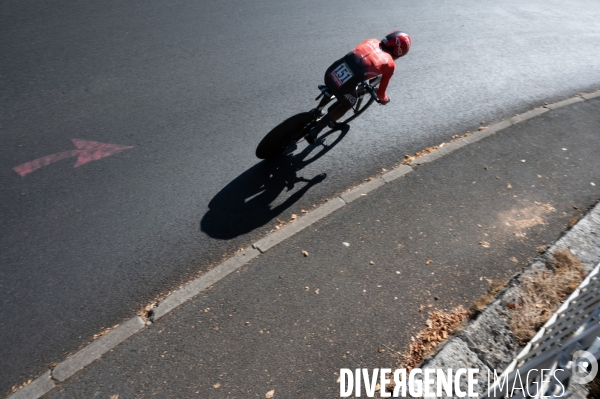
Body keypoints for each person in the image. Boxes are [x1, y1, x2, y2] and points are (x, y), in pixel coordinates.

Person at [306, 30, 412, 144]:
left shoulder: (371, 40)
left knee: (339, 84)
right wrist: (384, 100)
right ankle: (316, 130)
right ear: (400, 53)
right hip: (344, 87)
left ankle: (317, 111)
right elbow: (381, 94)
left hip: (330, 72)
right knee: (350, 102)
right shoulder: (390, 65)